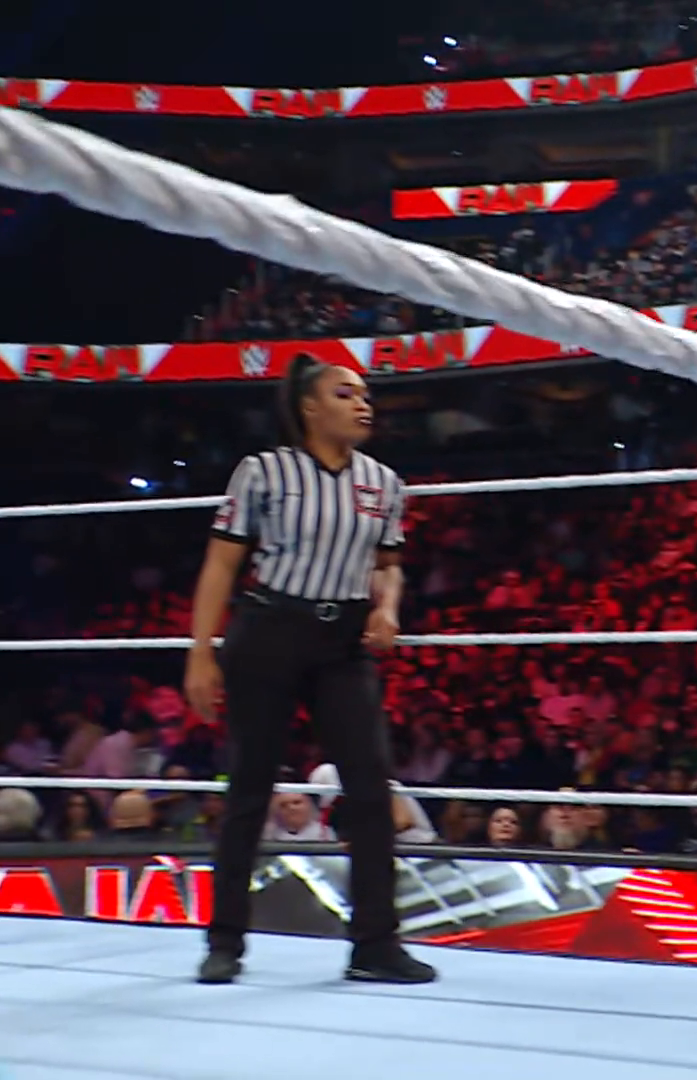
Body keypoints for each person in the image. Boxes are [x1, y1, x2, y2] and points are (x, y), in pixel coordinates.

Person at [184, 352, 434, 986]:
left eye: (365, 394)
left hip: (343, 640)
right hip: (271, 628)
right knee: (250, 786)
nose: (362, 403)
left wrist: (388, 607)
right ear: (310, 407)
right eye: (345, 393)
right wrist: (200, 651)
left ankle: (375, 943)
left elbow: (389, 564)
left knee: (370, 788)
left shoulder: (384, 482)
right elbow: (222, 564)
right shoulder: (263, 471)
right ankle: (225, 941)